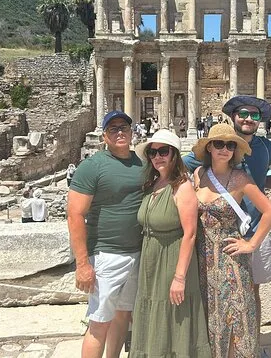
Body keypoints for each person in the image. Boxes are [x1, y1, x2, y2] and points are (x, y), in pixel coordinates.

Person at [183, 95, 271, 340]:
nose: (248, 119)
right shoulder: (210, 154)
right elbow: (179, 167)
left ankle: (251, 345)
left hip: (254, 231)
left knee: (250, 292)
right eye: (243, 114)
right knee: (213, 293)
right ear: (233, 117)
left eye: (254, 115)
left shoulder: (266, 147)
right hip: (218, 237)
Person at [67, 110, 145, 358]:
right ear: (104, 136)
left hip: (138, 252)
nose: (120, 132)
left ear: (132, 132)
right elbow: (75, 215)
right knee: (99, 322)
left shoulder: (143, 163)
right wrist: (82, 264)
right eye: (113, 129)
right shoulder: (92, 166)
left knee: (123, 315)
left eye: (124, 128)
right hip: (106, 254)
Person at [129, 130, 211, 357]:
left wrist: (179, 277)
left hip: (173, 259)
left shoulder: (182, 187)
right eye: (152, 152)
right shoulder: (153, 184)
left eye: (163, 151)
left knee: (173, 314)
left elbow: (190, 233)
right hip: (151, 259)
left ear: (174, 155)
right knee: (154, 312)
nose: (157, 157)